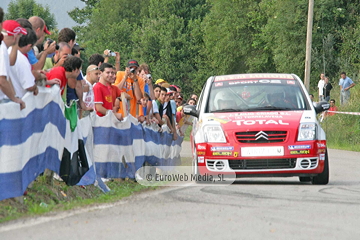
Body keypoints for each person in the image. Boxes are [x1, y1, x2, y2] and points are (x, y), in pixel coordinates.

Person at [0, 19, 26, 109]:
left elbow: (7, 73)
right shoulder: (2, 50)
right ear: (15, 36)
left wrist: (14, 95)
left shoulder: (3, 48)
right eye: (20, 35)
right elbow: (2, 80)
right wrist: (14, 99)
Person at [8, 27, 38, 98]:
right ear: (29, 46)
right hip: (19, 101)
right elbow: (29, 86)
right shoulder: (22, 60)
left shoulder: (8, 51)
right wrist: (35, 88)